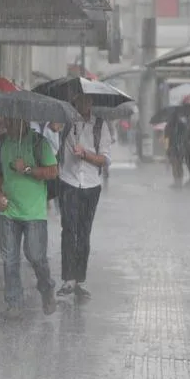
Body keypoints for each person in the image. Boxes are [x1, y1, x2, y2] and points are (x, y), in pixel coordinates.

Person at [0, 118, 58, 320]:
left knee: (36, 256)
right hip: (9, 212)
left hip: (33, 213)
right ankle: (14, 303)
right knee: (9, 259)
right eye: (8, 118)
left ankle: (46, 289)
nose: (9, 124)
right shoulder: (2, 142)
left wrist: (28, 169)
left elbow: (53, 171)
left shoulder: (39, 143)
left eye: (14, 119)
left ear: (23, 121)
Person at [57, 94, 112, 299]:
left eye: (87, 101)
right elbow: (53, 141)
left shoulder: (100, 126)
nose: (83, 104)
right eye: (79, 100)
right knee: (69, 230)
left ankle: (79, 279)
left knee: (84, 232)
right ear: (74, 101)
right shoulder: (65, 122)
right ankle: (68, 279)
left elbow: (104, 160)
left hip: (91, 185)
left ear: (91, 102)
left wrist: (86, 154)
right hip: (68, 181)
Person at [164, 106, 190, 188]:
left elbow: (166, 138)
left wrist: (167, 149)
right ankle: (178, 182)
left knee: (176, 165)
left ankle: (178, 182)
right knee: (178, 165)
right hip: (178, 147)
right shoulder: (180, 124)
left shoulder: (171, 125)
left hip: (176, 147)